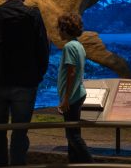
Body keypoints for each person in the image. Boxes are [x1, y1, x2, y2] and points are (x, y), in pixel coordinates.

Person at [0, 0, 50, 166]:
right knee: (20, 131)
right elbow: (43, 48)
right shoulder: (33, 15)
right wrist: (38, 75)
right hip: (25, 83)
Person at [57, 13, 94, 163]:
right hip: (78, 94)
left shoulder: (69, 46)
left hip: (72, 97)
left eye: (59, 28)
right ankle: (75, 163)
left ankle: (91, 164)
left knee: (73, 135)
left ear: (65, 29)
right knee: (72, 134)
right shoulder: (79, 45)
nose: (58, 31)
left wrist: (66, 99)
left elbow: (71, 72)